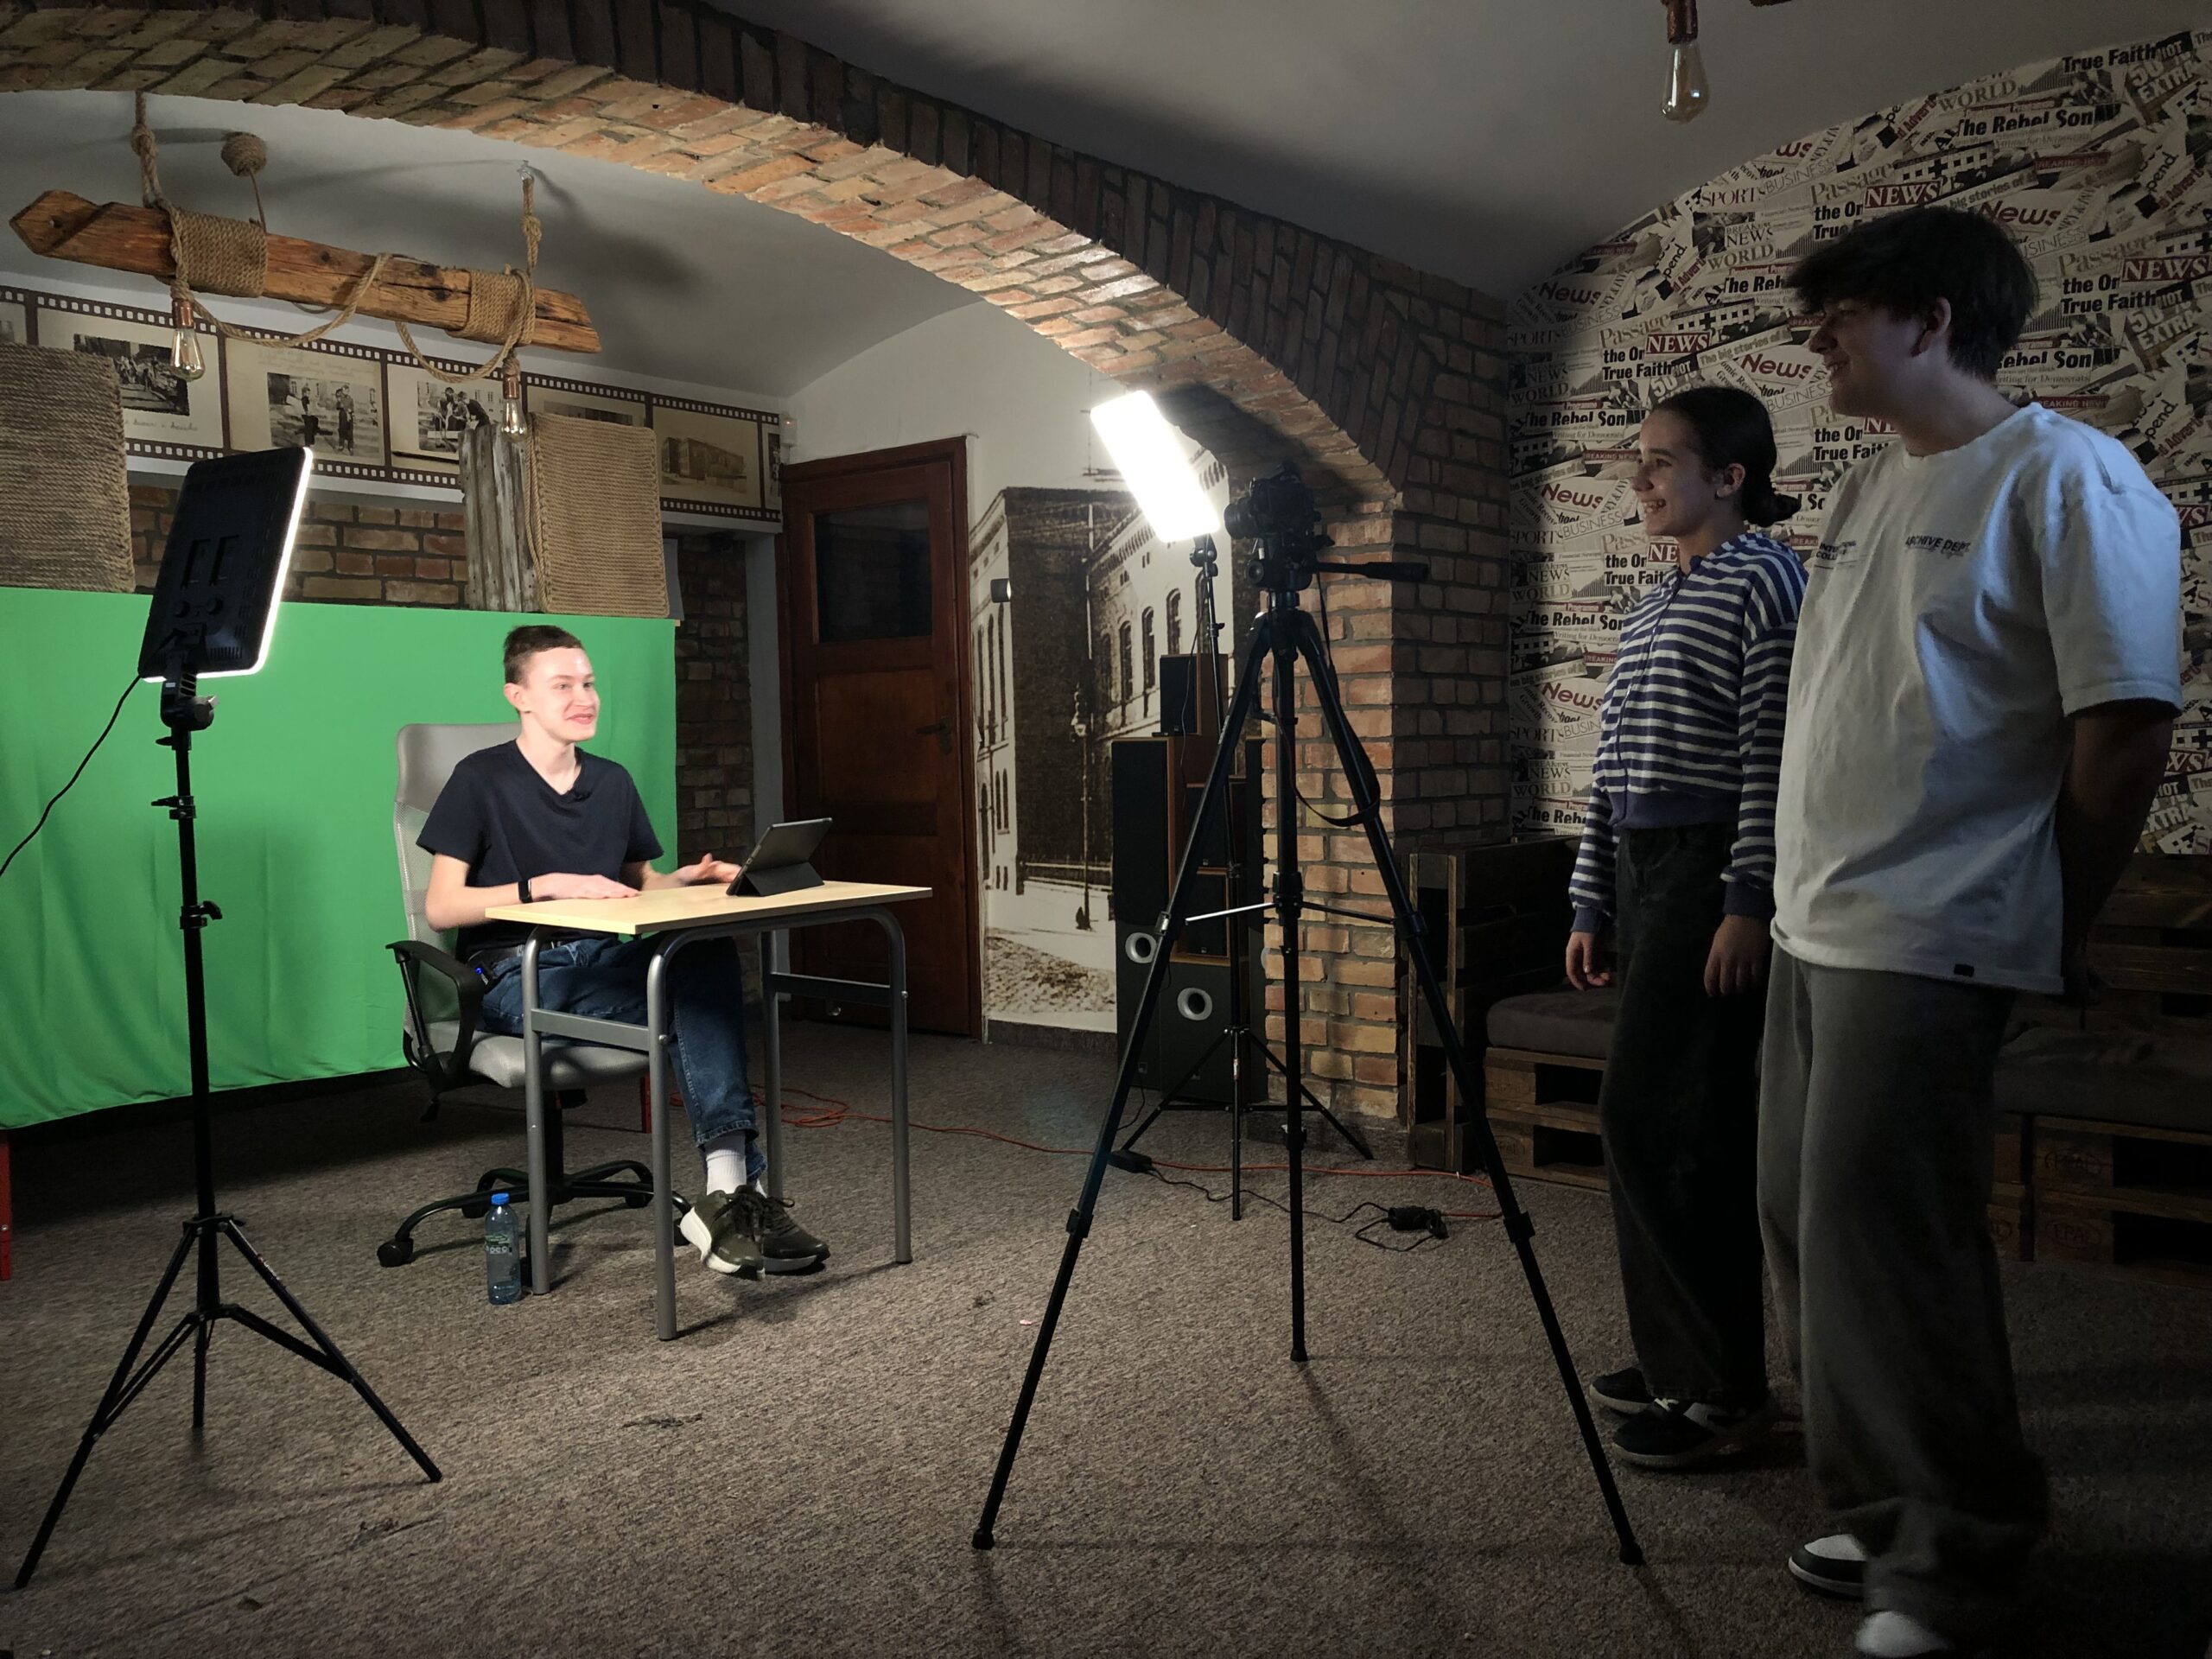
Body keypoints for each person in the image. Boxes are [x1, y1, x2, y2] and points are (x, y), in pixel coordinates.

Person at [1766, 207, 2180, 1658]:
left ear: (1934, 320)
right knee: (1806, 1224)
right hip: (1817, 919)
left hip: (1934, 924)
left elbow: (2125, 728)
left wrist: (2056, 911)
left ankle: (1956, 1557)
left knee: (1890, 1243)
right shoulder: (1868, 483)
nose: (1818, 338)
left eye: (1842, 313)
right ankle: (1886, 1501)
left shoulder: (2070, 476)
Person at [417, 625, 829, 1277]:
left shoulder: (611, 781)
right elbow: (442, 907)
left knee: (704, 955)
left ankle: (725, 1190)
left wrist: (685, 881)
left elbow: (637, 883)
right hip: (515, 972)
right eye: (562, 685)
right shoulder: (481, 779)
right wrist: (545, 885)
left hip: (602, 956)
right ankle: (734, 1194)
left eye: (588, 683)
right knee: (695, 1007)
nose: (583, 698)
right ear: (518, 697)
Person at [1564, 385, 1807, 1470]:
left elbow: (1771, 757)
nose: (1640, 478)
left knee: (1667, 1122)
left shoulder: (1766, 578)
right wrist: (1591, 899)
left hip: (1710, 870)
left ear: (1729, 477)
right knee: (1659, 1121)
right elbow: (1611, 770)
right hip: (1645, 870)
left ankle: (1721, 1393)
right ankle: (1679, 1355)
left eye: (1661, 460)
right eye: (1641, 460)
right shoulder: (1650, 602)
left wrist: (1746, 902)